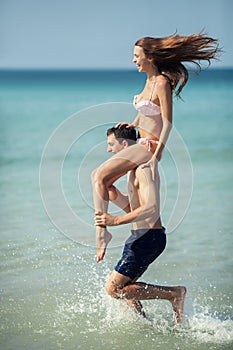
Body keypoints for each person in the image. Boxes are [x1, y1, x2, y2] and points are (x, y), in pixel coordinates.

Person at [92, 32, 221, 263]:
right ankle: (115, 228)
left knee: (99, 174)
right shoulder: (148, 81)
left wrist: (158, 152)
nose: (133, 60)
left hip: (150, 146)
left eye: (136, 56)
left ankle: (102, 233)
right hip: (141, 141)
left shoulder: (161, 83)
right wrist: (134, 122)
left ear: (150, 57)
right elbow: (147, 111)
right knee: (104, 183)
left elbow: (167, 121)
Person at [95, 124, 186, 323]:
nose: (109, 150)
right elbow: (135, 208)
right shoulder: (133, 171)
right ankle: (145, 323)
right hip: (141, 236)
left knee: (114, 289)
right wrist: (116, 196)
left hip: (148, 238)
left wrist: (114, 220)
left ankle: (174, 294)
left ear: (125, 145)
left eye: (111, 144)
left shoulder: (144, 169)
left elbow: (152, 208)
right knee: (127, 288)